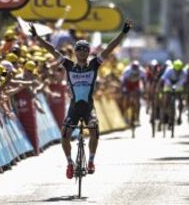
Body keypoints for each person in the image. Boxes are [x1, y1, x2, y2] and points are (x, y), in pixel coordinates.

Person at [29, 20, 132, 179]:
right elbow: (51, 49)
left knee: (94, 129)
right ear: (75, 52)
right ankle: (70, 163)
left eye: (85, 50)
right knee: (65, 135)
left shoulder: (94, 64)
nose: (82, 53)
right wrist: (37, 37)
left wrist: (123, 33)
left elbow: (109, 47)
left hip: (88, 106)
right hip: (74, 107)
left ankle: (90, 160)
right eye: (79, 50)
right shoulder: (68, 65)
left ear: (88, 52)